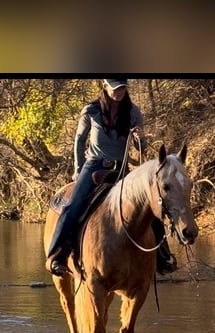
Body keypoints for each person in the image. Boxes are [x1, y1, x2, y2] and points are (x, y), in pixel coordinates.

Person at [45, 78, 178, 277]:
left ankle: (162, 256)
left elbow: (140, 148)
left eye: (122, 88)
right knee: (74, 205)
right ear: (104, 86)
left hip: (121, 168)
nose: (119, 92)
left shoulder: (133, 112)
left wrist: (139, 138)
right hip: (94, 167)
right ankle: (56, 256)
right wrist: (78, 169)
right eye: (115, 88)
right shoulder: (91, 110)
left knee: (149, 205)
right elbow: (79, 142)